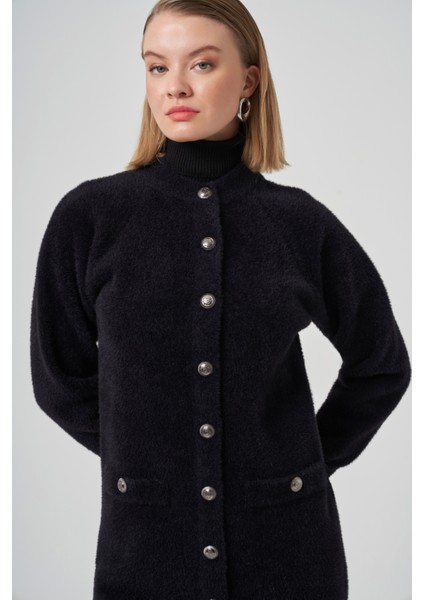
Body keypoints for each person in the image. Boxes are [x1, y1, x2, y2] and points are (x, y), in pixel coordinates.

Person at [29, 0, 411, 598]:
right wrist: (146, 454)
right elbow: (58, 378)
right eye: (157, 67)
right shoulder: (90, 217)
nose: (175, 86)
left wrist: (306, 461)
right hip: (144, 553)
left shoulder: (299, 223)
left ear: (249, 80)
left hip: (290, 553)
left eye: (201, 64)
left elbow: (381, 364)